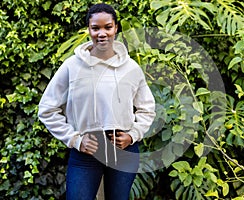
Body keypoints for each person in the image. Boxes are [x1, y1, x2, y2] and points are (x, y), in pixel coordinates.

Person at [38, 3, 156, 200]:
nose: (102, 33)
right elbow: (47, 109)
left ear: (116, 28)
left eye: (107, 27)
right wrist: (74, 139)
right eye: (96, 28)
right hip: (86, 152)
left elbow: (147, 108)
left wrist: (133, 134)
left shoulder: (131, 68)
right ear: (89, 29)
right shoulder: (72, 66)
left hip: (122, 151)